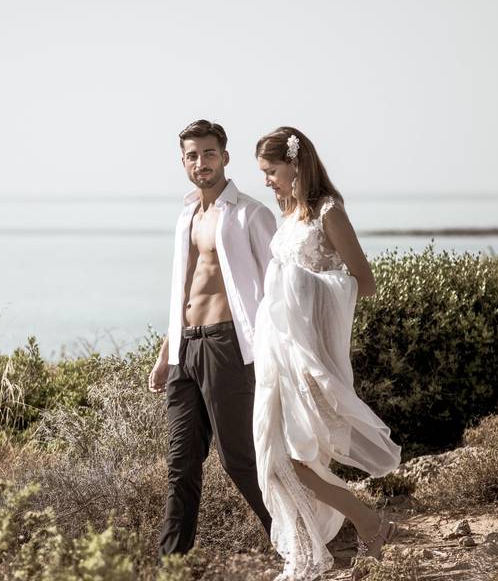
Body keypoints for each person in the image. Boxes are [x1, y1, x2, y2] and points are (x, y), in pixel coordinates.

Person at [251, 126, 402, 580]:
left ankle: (364, 522)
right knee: (272, 458)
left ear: (295, 164)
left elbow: (364, 283)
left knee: (295, 457)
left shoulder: (328, 212)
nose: (266, 181)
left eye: (271, 170)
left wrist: (300, 287)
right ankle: (306, 554)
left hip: (310, 359)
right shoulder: (288, 214)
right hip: (278, 359)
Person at [147, 119, 277, 557]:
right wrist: (167, 351)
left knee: (239, 459)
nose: (200, 162)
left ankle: (297, 539)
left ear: (224, 156)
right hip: (185, 348)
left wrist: (274, 350)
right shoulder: (186, 215)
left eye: (208, 153)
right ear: (182, 161)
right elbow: (182, 289)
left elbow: (277, 288)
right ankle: (171, 563)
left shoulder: (250, 214)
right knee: (181, 465)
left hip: (227, 345)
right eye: (191, 155)